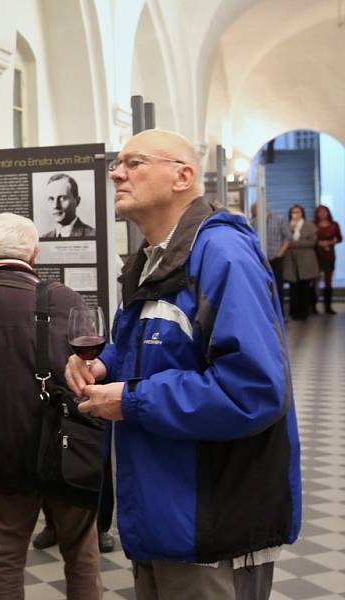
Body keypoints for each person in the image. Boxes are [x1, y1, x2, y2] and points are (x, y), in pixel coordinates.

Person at [65, 129, 301, 600]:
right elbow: (157, 344)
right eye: (118, 163)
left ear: (183, 176)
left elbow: (252, 389)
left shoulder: (221, 254)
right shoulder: (154, 259)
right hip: (163, 516)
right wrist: (104, 368)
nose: (115, 172)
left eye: (134, 162)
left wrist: (130, 400)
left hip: (211, 525)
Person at [0, 212, 102, 600]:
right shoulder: (62, 300)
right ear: (35, 253)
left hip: (2, 452)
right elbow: (87, 373)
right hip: (66, 449)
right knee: (81, 555)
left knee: (6, 556)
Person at [249, 202, 291, 312]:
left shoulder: (279, 220)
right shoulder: (252, 222)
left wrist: (280, 253)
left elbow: (288, 238)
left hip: (276, 259)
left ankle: (280, 312)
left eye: (253, 209)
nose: (252, 212)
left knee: (278, 286)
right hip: (259, 260)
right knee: (262, 287)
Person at [283, 204, 319, 320]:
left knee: (305, 287)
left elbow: (312, 243)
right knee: (293, 287)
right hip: (291, 261)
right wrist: (292, 231)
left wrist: (293, 244)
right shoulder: (286, 226)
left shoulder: (310, 225)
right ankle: (294, 312)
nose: (296, 214)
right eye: (293, 212)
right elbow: (284, 241)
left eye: (298, 212)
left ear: (302, 213)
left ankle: (304, 312)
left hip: (306, 260)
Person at [41, 173, 96, 238]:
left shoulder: (93, 235)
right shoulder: (44, 238)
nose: (55, 206)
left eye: (62, 198)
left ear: (77, 201)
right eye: (51, 199)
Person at [313, 204, 342, 314]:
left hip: (329, 254)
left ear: (328, 212)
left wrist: (330, 242)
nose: (322, 214)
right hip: (316, 255)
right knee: (314, 280)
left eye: (324, 211)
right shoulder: (313, 224)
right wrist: (319, 243)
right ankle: (313, 306)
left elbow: (339, 238)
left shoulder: (334, 225)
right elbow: (310, 238)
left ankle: (328, 307)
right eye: (320, 212)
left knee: (328, 281)